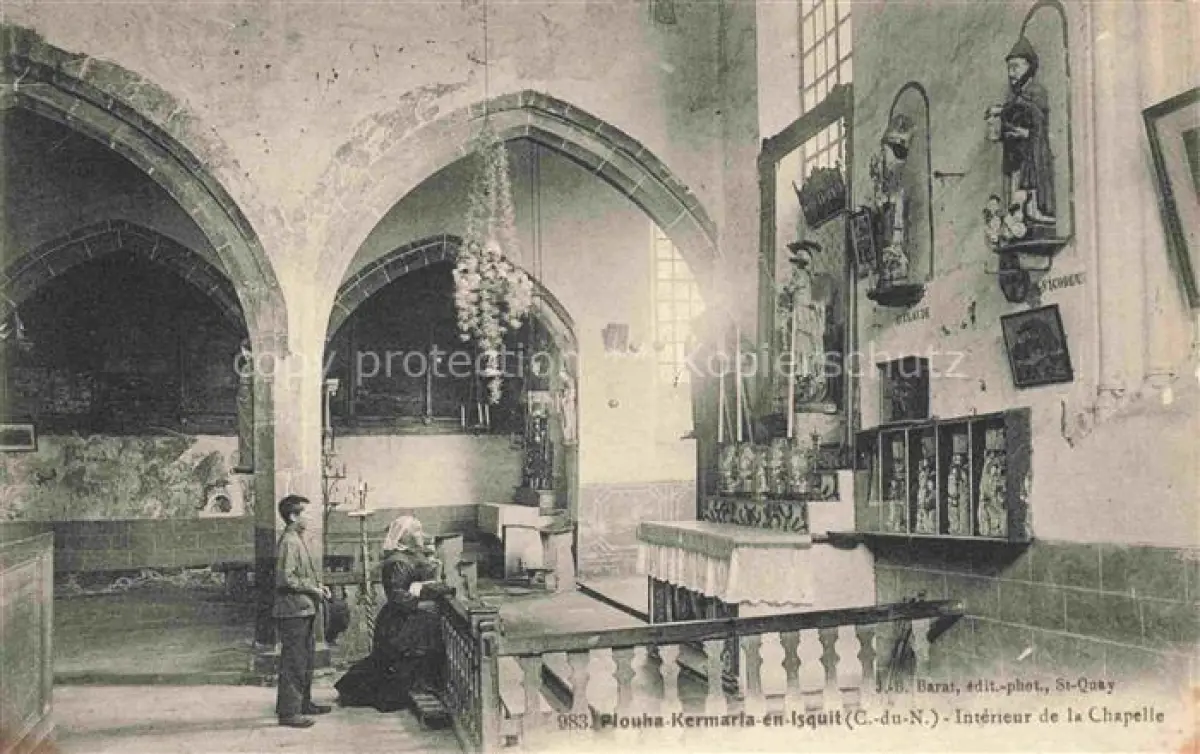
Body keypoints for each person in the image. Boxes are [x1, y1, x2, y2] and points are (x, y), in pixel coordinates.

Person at [335, 515, 452, 712]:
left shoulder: (412, 556)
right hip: (400, 620)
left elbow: (419, 580)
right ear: (404, 536)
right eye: (416, 532)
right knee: (394, 661)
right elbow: (397, 595)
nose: (420, 535)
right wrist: (420, 599)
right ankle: (352, 691)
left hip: (413, 617)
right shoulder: (397, 562)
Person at [273, 494, 333, 728]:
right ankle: (289, 713)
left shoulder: (296, 539)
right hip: (293, 611)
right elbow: (286, 579)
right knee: (294, 662)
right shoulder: (289, 542)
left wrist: (318, 586)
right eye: (305, 513)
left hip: (302, 609)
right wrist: (313, 589)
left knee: (305, 659)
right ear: (292, 516)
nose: (309, 518)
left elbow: (300, 574)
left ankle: (303, 704)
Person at [988, 36, 1056, 227]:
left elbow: (1039, 126)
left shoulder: (1037, 92)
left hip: (1032, 158)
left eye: (1015, 67)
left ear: (1029, 66)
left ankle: (1035, 211)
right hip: (1017, 160)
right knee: (1015, 200)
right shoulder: (1015, 97)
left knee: (1029, 198)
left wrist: (1023, 132)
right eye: (1009, 68)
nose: (1011, 74)